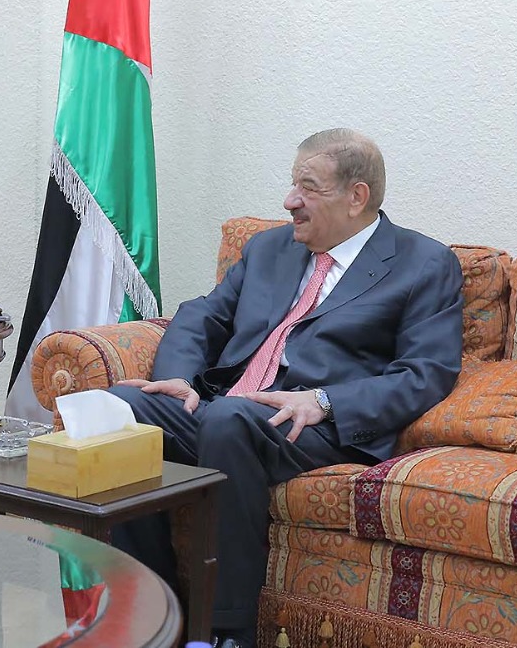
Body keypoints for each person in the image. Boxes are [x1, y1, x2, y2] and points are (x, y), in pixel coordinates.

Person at [109, 129, 462, 648]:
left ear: (356, 196)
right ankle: (151, 612)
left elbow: (425, 372)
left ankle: (225, 632)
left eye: (308, 187)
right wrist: (180, 378)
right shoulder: (268, 247)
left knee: (227, 419)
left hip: (317, 425)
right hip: (228, 409)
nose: (289, 201)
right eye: (293, 183)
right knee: (122, 408)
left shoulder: (424, 264)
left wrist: (324, 401)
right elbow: (203, 315)